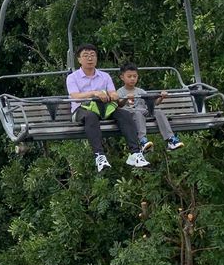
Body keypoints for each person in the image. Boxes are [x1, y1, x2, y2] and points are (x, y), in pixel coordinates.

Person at [66, 43, 149, 173]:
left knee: (125, 114)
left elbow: (113, 92)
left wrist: (112, 95)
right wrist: (94, 93)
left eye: (92, 55)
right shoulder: (72, 77)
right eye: (86, 56)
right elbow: (75, 96)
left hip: (103, 108)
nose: (90, 58)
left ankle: (135, 153)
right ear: (79, 59)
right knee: (91, 116)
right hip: (82, 110)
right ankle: (99, 156)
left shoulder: (104, 76)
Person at [117, 63, 184, 153]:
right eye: (129, 76)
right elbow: (119, 105)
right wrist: (126, 98)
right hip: (131, 113)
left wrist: (161, 97)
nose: (132, 79)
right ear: (122, 77)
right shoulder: (120, 91)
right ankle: (142, 140)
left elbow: (154, 103)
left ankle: (170, 139)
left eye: (135, 76)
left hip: (143, 111)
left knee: (158, 112)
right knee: (138, 113)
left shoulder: (140, 91)